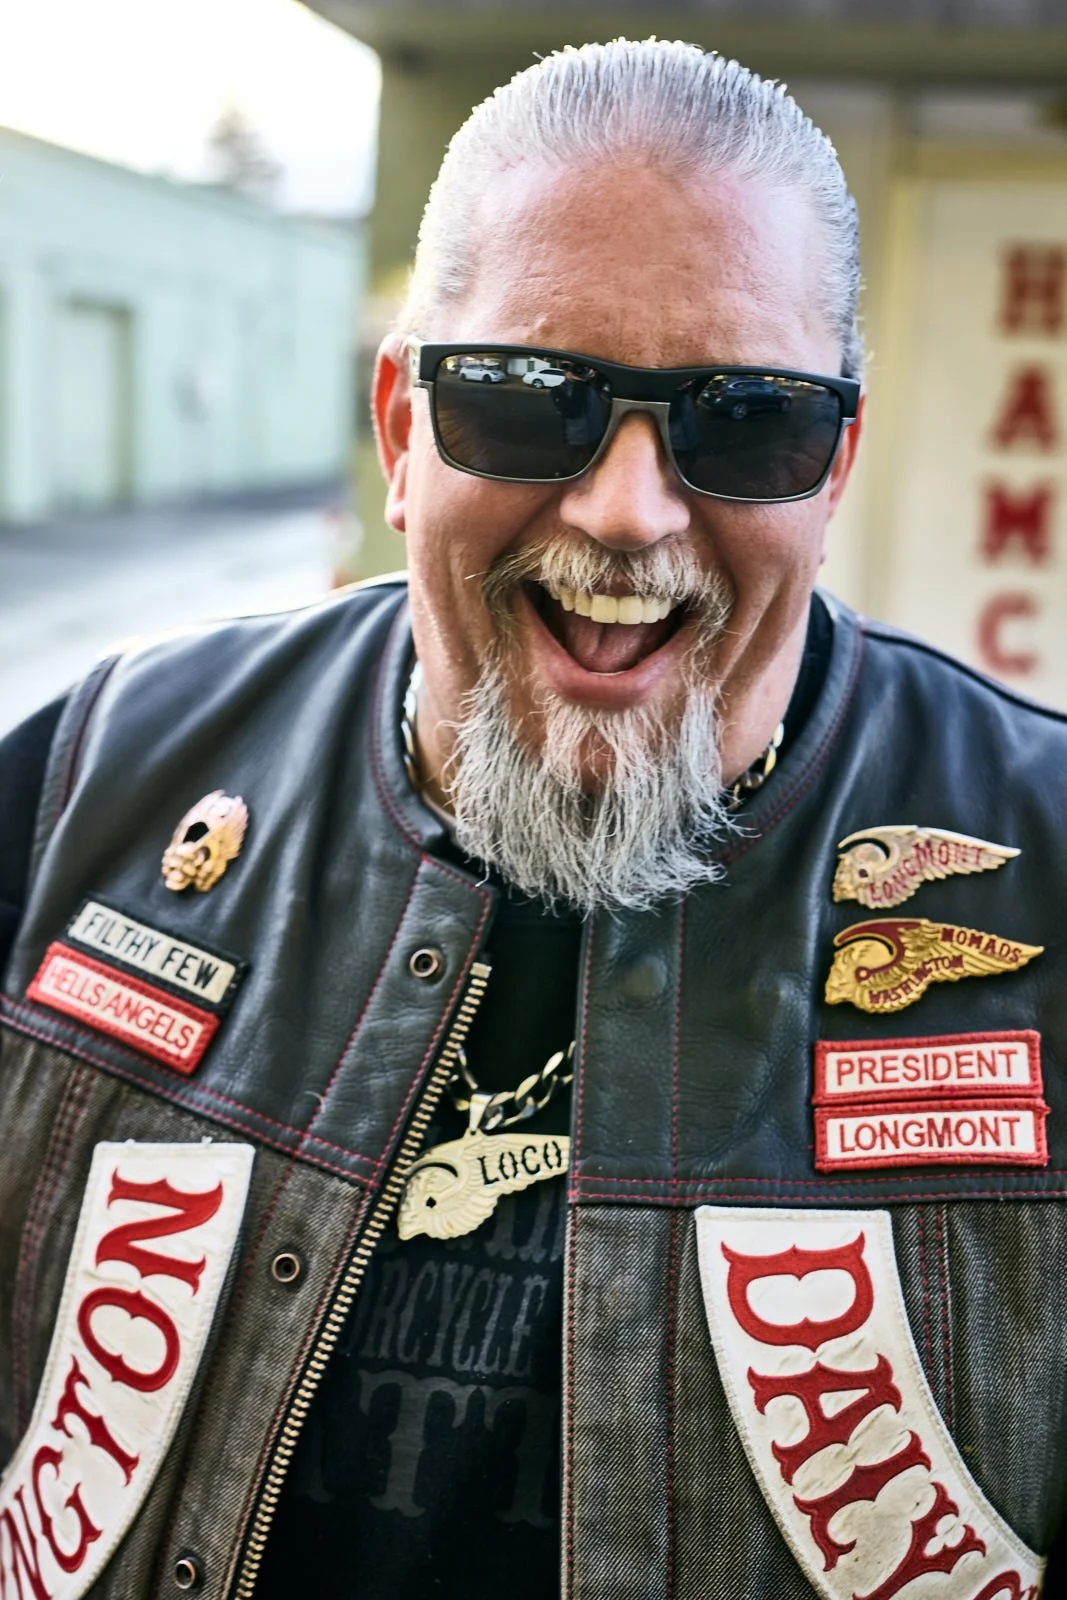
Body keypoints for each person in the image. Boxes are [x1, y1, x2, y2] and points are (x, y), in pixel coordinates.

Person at [1, 37, 1065, 1600]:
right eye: (529, 398)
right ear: (400, 429)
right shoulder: (98, 780)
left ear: (831, 463)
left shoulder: (1042, 871)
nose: (628, 510)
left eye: (742, 418)